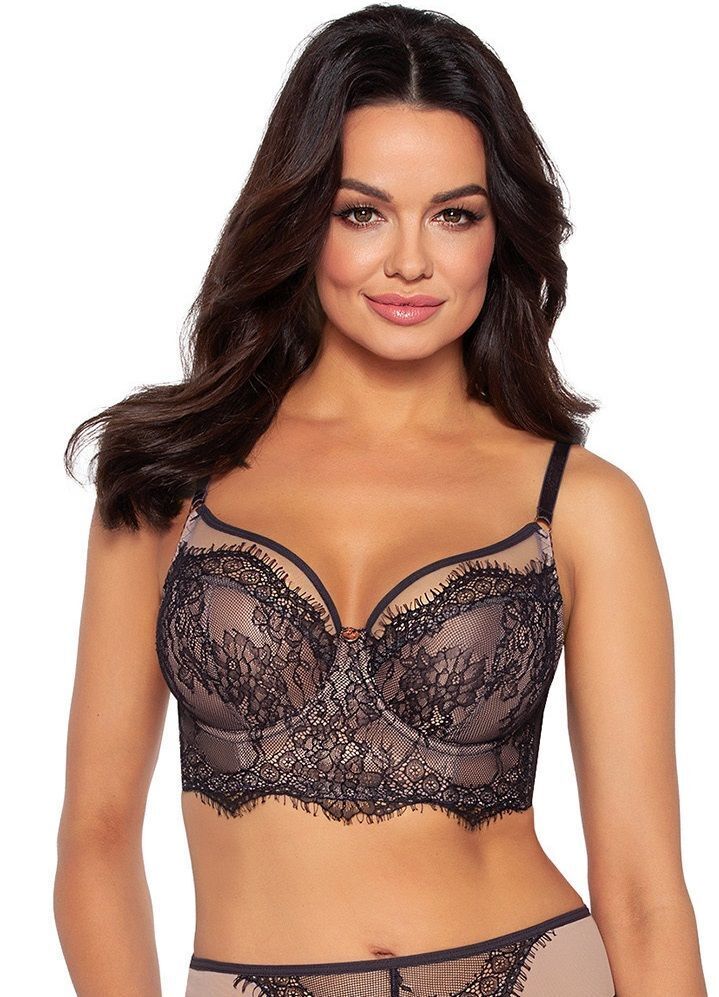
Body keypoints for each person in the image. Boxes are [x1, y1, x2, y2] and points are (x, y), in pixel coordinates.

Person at [54, 4, 707, 996]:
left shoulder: (579, 504)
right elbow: (96, 838)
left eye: (454, 214)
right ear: (300, 218)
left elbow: (644, 889)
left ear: (498, 231)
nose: (409, 261)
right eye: (361, 212)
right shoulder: (166, 476)